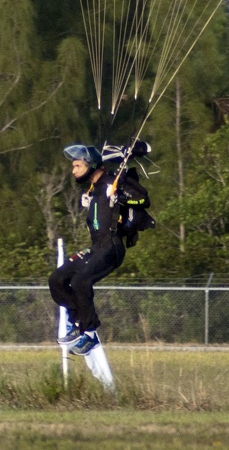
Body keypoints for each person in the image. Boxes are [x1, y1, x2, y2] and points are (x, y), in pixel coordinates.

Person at [49, 143, 150, 356]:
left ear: (90, 165)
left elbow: (143, 198)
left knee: (80, 281)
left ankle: (90, 333)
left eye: (77, 165)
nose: (73, 170)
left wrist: (119, 196)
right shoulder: (94, 189)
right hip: (96, 248)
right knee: (57, 279)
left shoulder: (113, 181)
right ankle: (78, 322)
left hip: (112, 247)